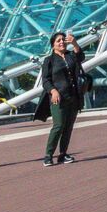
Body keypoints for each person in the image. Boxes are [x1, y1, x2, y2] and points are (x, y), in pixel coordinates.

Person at [40, 32, 80, 166]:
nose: (62, 42)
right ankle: (48, 155)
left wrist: (74, 43)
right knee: (58, 126)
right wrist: (53, 90)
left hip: (73, 96)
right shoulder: (49, 60)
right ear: (53, 45)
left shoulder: (70, 56)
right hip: (58, 98)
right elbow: (45, 80)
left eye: (63, 40)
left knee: (68, 127)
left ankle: (63, 154)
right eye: (58, 41)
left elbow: (80, 56)